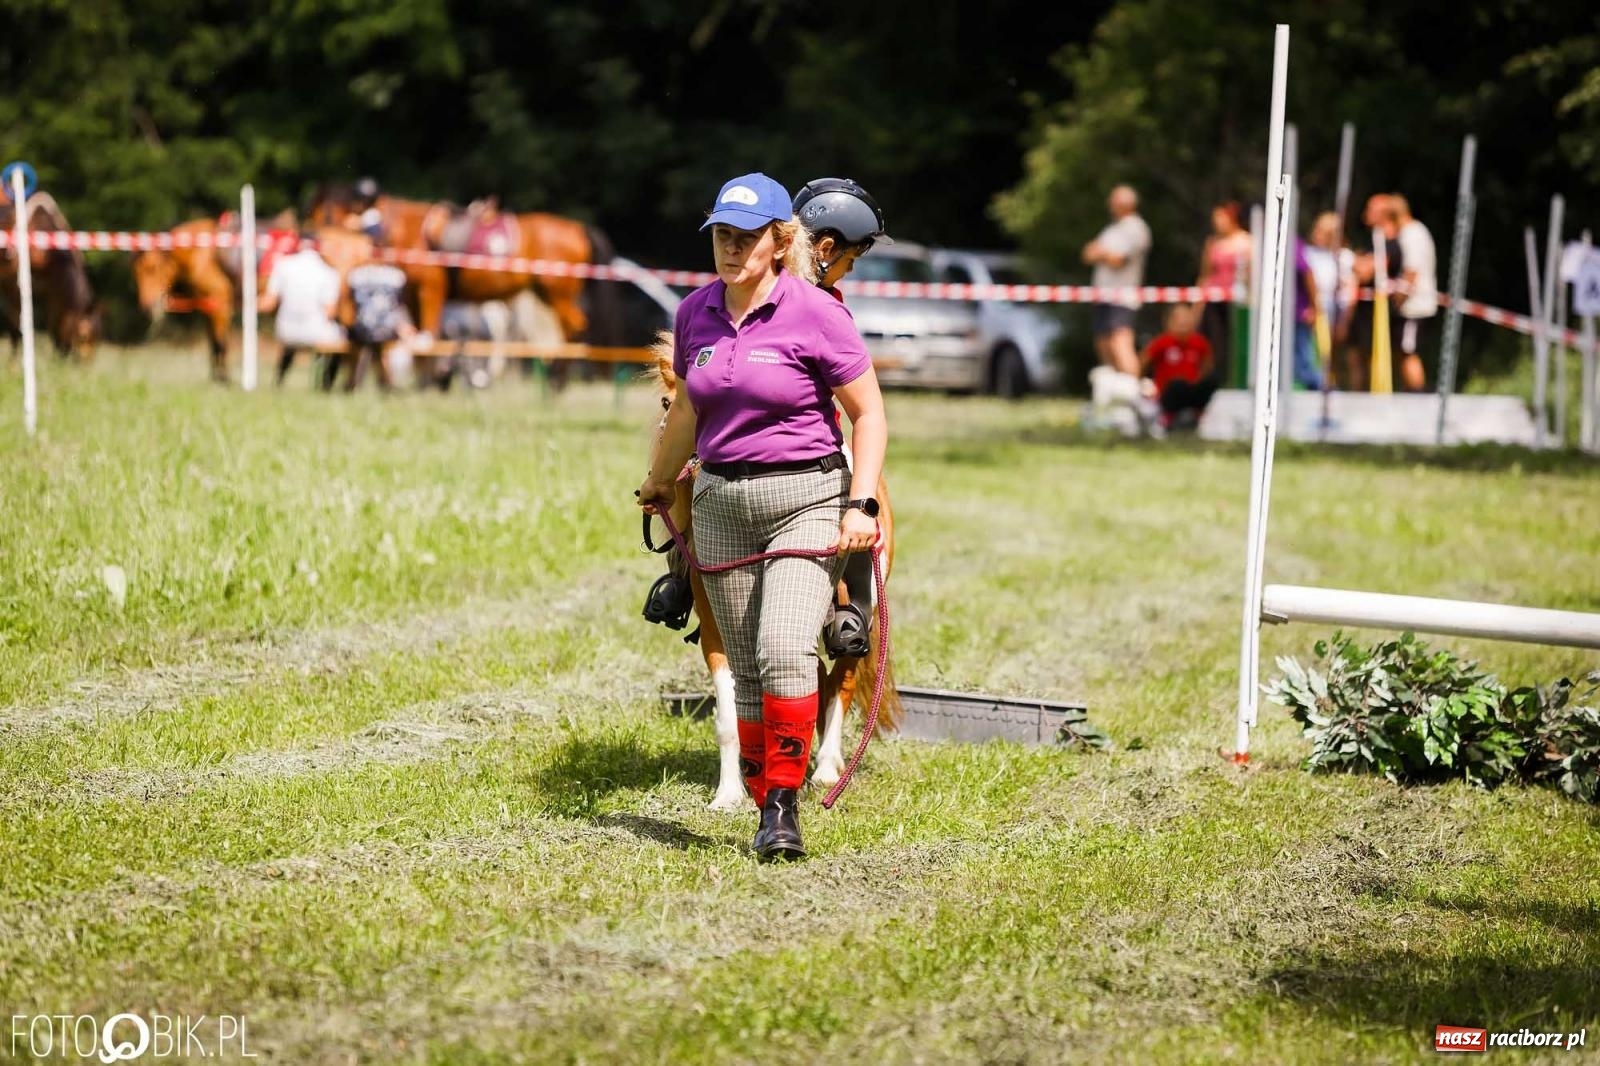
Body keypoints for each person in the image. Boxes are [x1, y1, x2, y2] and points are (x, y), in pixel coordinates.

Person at [637, 172, 887, 862]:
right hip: (721, 500)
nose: (730, 248)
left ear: (781, 243)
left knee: (782, 647)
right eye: (721, 235)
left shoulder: (818, 313)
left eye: (746, 238)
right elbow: (687, 409)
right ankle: (762, 794)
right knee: (744, 663)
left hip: (806, 496)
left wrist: (862, 502)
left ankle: (783, 805)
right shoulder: (695, 315)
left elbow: (868, 415)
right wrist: (660, 480)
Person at [1082, 185, 1152, 379]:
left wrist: (1102, 253)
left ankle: (1133, 391)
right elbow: (1087, 253)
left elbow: (1118, 260)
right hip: (1103, 295)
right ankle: (1113, 391)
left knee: (1120, 343)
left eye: (1114, 201)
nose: (1110, 205)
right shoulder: (1112, 229)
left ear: (1127, 204)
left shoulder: (1136, 228)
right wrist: (1104, 253)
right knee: (1103, 343)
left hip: (1122, 295)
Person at [259, 230, 343, 387]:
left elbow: (268, 303)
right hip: (315, 333)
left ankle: (279, 381)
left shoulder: (282, 265)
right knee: (339, 342)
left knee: (289, 347)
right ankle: (325, 386)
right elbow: (330, 312)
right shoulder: (329, 272)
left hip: (285, 331)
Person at [333, 256, 415, 392]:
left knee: (363, 341)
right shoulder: (396, 275)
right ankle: (385, 383)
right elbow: (400, 304)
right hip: (386, 330)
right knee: (380, 346)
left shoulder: (357, 274)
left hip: (362, 329)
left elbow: (349, 302)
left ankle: (353, 382)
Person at [1140, 302, 1215, 430]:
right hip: (1168, 393)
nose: (1183, 322)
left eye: (1186, 318)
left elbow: (1207, 366)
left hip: (1190, 390)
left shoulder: (1200, 343)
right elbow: (1143, 362)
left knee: (1210, 382)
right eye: (1179, 318)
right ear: (1169, 322)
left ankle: (1198, 415)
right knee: (1177, 384)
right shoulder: (1162, 342)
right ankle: (1167, 418)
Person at [1391, 195, 1437, 391]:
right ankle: (1410, 393)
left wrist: (1398, 299)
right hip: (1414, 304)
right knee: (1404, 351)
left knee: (1408, 351)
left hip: (1414, 306)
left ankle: (1417, 395)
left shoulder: (1412, 234)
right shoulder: (1414, 232)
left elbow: (1411, 271)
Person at [1195, 202, 1250, 366]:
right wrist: (1196, 306)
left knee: (1234, 341)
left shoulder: (1247, 241)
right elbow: (1205, 274)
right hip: (1213, 299)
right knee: (1213, 341)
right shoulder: (1212, 243)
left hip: (1237, 300)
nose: (1216, 222)